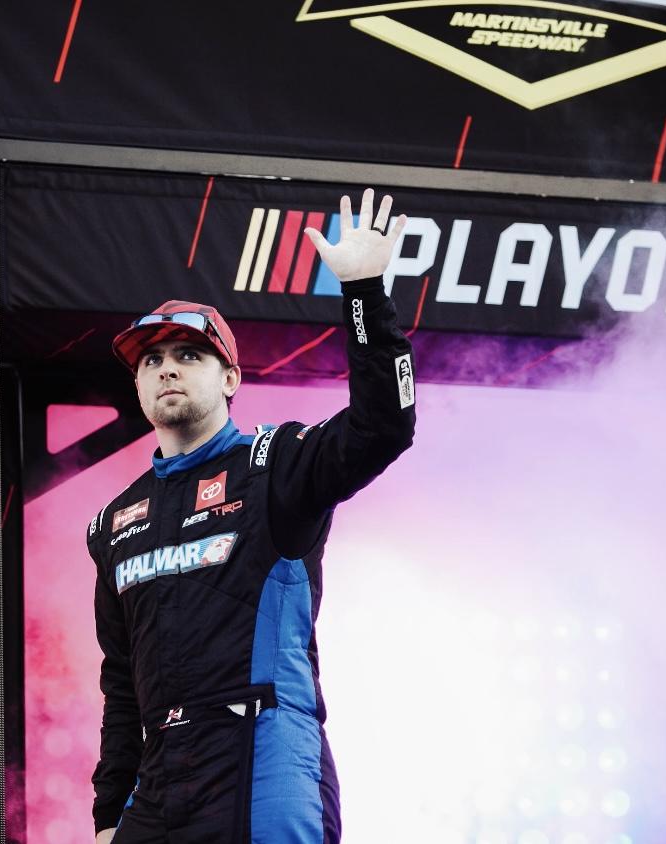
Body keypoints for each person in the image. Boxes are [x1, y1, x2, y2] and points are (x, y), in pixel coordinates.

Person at [86, 189, 417, 843]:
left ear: (230, 378)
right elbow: (120, 680)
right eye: (151, 361)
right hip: (160, 775)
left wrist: (363, 293)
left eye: (188, 355)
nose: (167, 370)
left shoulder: (278, 464)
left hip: (264, 752)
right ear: (138, 385)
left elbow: (384, 426)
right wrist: (107, 814)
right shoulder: (113, 522)